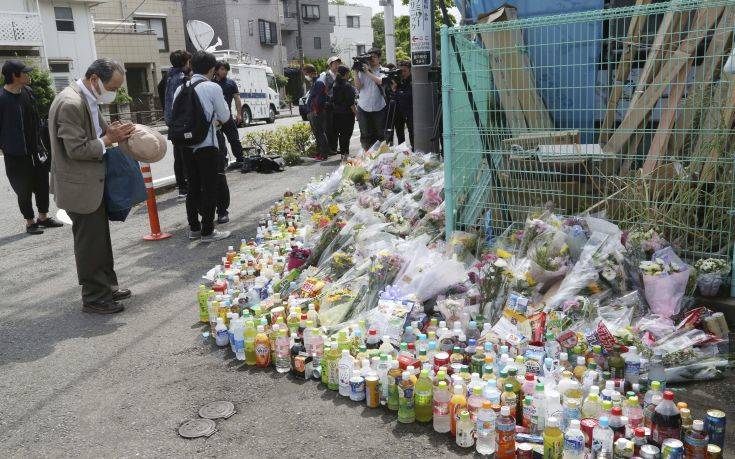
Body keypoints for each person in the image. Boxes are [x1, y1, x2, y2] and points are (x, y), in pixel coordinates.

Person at [48, 58, 136, 314]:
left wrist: (113, 131)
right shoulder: (71, 102)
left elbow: (97, 131)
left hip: (90, 183)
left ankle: (107, 286)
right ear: (95, 79)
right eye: (113, 86)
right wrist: (109, 139)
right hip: (80, 186)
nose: (115, 92)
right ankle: (94, 297)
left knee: (100, 240)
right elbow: (76, 149)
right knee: (90, 244)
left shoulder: (86, 97)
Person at [173, 50, 231, 242]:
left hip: (185, 145)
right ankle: (208, 231)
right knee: (210, 186)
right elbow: (225, 116)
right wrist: (214, 120)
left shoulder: (180, 88)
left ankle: (194, 229)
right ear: (212, 68)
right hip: (207, 144)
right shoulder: (212, 87)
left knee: (193, 187)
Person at [1, 60, 63, 235]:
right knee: (23, 188)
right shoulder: (2, 99)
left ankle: (43, 217)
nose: (29, 75)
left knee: (42, 183)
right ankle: (30, 222)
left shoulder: (28, 92)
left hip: (36, 150)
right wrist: (6, 146)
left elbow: (36, 119)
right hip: (15, 154)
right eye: (25, 72)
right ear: (15, 75)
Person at [164, 50, 191, 199]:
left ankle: (181, 187)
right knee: (185, 155)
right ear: (184, 62)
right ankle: (186, 186)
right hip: (182, 121)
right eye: (188, 61)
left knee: (178, 156)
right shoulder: (182, 79)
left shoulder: (168, 77)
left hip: (171, 122)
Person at [354, 48, 387, 150]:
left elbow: (380, 81)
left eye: (374, 57)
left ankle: (380, 156)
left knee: (380, 134)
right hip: (363, 107)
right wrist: (356, 72)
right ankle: (367, 156)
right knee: (365, 134)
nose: (372, 59)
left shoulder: (384, 70)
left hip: (379, 107)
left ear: (379, 58)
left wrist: (368, 72)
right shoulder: (362, 71)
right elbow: (358, 87)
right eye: (370, 57)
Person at [213, 61, 244, 166]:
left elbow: (237, 98)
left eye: (226, 69)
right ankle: (223, 162)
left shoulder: (231, 83)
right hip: (215, 118)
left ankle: (240, 159)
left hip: (227, 116)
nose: (225, 71)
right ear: (216, 70)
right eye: (222, 69)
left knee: (234, 138)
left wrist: (239, 114)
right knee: (219, 142)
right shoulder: (210, 83)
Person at [303, 64, 330, 161]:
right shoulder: (315, 82)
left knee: (319, 133)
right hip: (313, 111)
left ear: (310, 73)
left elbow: (319, 99)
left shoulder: (318, 82)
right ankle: (319, 153)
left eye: (306, 73)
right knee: (317, 133)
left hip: (316, 112)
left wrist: (315, 110)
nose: (305, 76)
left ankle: (323, 154)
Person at [330, 66, 357, 160]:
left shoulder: (335, 84)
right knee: (347, 134)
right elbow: (350, 102)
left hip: (337, 113)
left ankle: (343, 154)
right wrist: (356, 113)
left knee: (341, 135)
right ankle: (345, 154)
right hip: (347, 114)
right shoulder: (347, 85)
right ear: (346, 74)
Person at [320, 56, 341, 154]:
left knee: (337, 126)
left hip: (339, 104)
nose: (337, 66)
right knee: (328, 127)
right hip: (328, 104)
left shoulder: (340, 75)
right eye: (335, 64)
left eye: (338, 63)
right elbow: (322, 89)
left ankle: (334, 147)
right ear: (330, 65)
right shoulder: (325, 75)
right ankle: (329, 148)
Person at [391, 61, 414, 147]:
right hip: (398, 110)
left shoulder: (413, 80)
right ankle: (402, 152)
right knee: (399, 134)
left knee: (412, 132)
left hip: (410, 111)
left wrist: (396, 91)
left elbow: (408, 95)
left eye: (404, 71)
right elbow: (394, 96)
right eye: (400, 71)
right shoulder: (398, 80)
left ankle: (414, 151)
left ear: (410, 70)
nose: (402, 73)